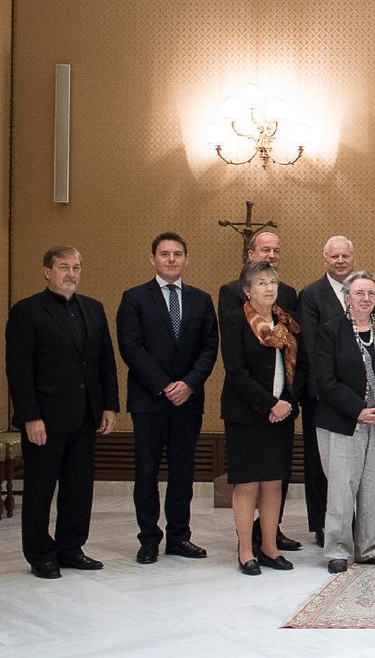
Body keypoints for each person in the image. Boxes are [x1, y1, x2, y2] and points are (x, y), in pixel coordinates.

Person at [6, 246, 119, 579]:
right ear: (47, 271)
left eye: (76, 267)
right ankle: (40, 554)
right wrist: (30, 416)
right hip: (45, 419)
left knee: (79, 488)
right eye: (63, 267)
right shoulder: (27, 311)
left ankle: (71, 549)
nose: (71, 274)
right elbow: (18, 370)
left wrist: (109, 405)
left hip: (85, 416)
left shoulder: (94, 308)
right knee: (41, 490)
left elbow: (105, 362)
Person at [115, 231, 217, 563]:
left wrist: (187, 384)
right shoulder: (134, 297)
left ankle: (178, 537)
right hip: (149, 401)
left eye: (177, 254)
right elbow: (131, 347)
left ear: (186, 259)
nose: (171, 259)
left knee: (182, 472)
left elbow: (208, 348)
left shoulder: (201, 299)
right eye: (164, 254)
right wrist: (163, 385)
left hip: (188, 401)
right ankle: (148, 539)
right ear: (152, 259)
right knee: (146, 472)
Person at [312, 271, 375, 574]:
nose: (365, 299)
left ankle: (369, 547)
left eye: (370, 293)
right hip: (343, 422)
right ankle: (337, 549)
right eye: (359, 293)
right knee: (342, 486)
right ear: (347, 298)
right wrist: (359, 409)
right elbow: (326, 381)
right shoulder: (330, 332)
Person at [217, 230, 303, 552]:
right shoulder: (235, 314)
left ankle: (269, 545)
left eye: (272, 283)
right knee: (248, 483)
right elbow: (236, 370)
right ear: (247, 290)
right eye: (262, 283)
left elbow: (299, 362)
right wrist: (269, 403)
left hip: (281, 411)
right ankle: (245, 551)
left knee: (274, 482)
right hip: (247, 411)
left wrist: (287, 402)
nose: (269, 288)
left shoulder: (287, 316)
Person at [297, 235, 357, 547]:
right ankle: (322, 523)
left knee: (354, 464)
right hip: (322, 393)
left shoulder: (363, 290)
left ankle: (353, 522)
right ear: (325, 260)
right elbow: (311, 344)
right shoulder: (311, 294)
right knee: (320, 462)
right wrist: (331, 387)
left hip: (360, 396)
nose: (340, 261)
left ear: (353, 258)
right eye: (334, 256)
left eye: (345, 256)